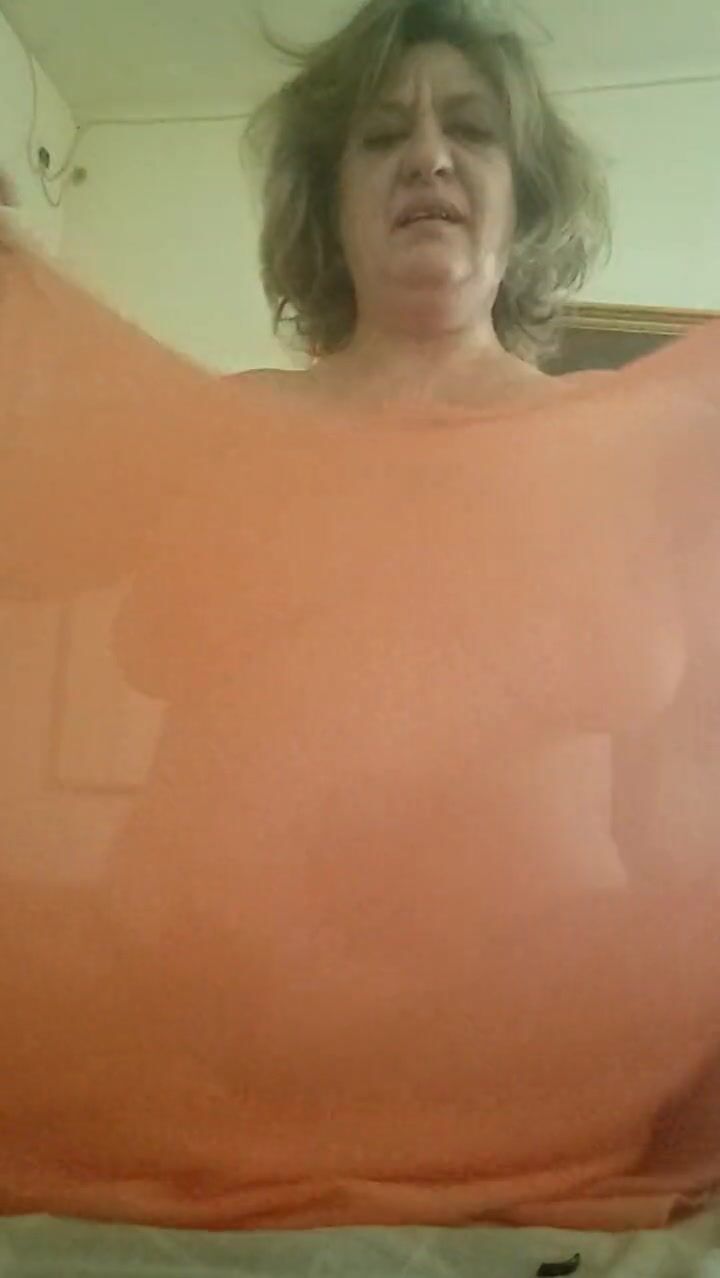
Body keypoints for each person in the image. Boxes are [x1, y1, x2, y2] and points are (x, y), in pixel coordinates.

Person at [1, 0, 720, 1240]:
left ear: (525, 191)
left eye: (471, 129)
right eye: (383, 135)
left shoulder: (644, 446)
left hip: (540, 1082)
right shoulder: (218, 431)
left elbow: (678, 793)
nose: (428, 155)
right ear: (327, 205)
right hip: (207, 1058)